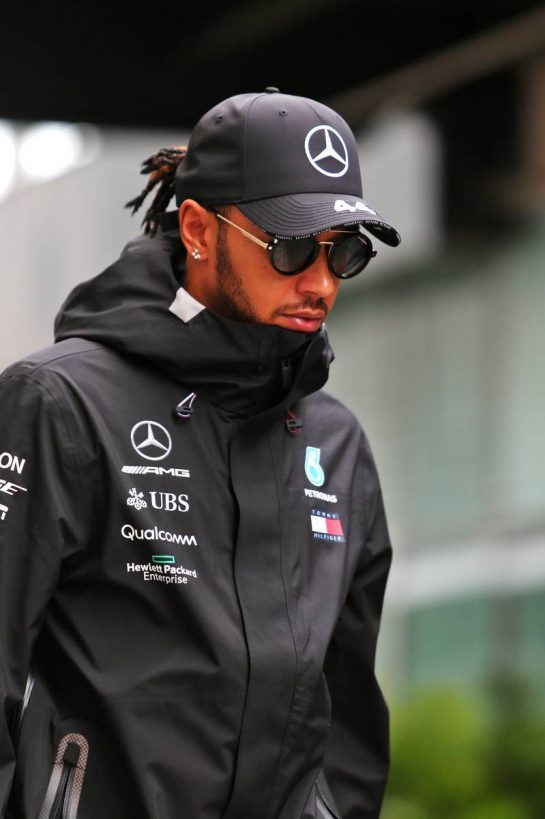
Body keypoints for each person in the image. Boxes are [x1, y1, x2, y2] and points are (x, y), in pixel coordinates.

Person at [0, 88, 400, 819]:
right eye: (288, 248)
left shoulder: (337, 444)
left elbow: (345, 727)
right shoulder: (57, 405)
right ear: (196, 229)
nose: (318, 282)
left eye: (344, 252)